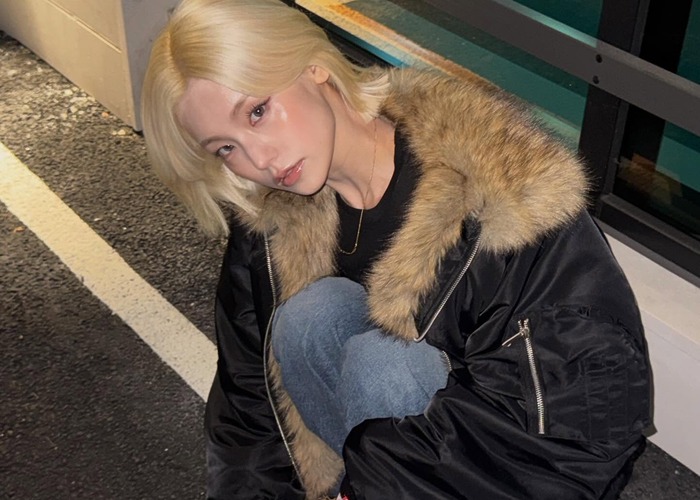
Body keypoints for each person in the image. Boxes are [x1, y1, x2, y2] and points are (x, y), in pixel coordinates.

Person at [141, 0, 652, 498]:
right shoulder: (274, 220)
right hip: (391, 463)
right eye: (226, 148)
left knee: (384, 363)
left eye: (257, 111)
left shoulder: (499, 194)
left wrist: (368, 483)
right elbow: (248, 398)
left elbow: (577, 428)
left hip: (511, 469)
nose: (259, 159)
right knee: (309, 318)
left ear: (314, 67)